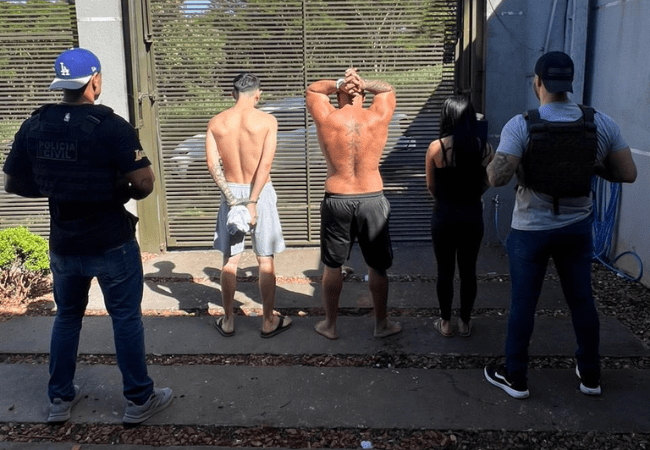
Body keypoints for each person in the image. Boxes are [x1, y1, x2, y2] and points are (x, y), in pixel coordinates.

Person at [2, 48, 173, 423]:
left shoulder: (35, 125)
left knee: (67, 317)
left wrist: (58, 187)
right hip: (111, 242)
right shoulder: (111, 126)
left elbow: (13, 182)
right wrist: (115, 190)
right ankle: (139, 400)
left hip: (64, 244)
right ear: (94, 80)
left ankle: (59, 401)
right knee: (125, 318)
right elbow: (144, 183)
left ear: (61, 84)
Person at [483, 51, 637, 399]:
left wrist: (498, 158)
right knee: (582, 301)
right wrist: (592, 166)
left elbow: (496, 178)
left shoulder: (521, 124)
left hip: (530, 232)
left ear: (538, 82)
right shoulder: (601, 123)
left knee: (524, 303)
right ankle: (591, 376)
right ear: (570, 84)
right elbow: (628, 173)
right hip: (577, 228)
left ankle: (516, 377)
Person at [306, 68, 402, 340]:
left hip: (338, 197)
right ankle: (381, 324)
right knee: (378, 266)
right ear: (362, 94)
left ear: (338, 96)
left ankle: (330, 325)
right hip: (372, 197)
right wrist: (363, 82)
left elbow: (313, 89)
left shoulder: (327, 117)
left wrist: (339, 82)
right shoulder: (377, 116)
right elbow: (387, 90)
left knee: (332, 266)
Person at [206, 72, 291, 338]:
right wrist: (252, 201)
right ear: (258, 94)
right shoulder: (267, 121)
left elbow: (212, 165)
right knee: (264, 259)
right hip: (260, 190)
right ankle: (267, 321)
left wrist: (233, 200)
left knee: (230, 261)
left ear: (233, 94)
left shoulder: (217, 122)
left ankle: (229, 320)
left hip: (230, 188)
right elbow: (265, 164)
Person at [425, 96, 494, 338]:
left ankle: (445, 323)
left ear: (446, 116)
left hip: (444, 214)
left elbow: (431, 187)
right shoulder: (484, 147)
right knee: (469, 270)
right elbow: (489, 181)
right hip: (472, 214)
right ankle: (465, 322)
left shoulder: (437, 147)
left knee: (444, 270)